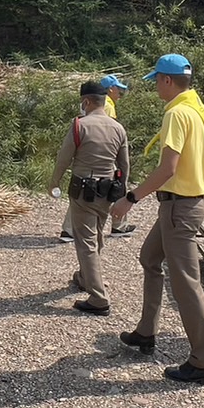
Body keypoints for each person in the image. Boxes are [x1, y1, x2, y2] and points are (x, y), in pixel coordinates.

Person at [110, 53, 204, 384]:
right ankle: (146, 332)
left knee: (186, 283)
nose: (156, 87)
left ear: (167, 80)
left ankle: (203, 360)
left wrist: (130, 198)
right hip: (188, 205)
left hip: (178, 208)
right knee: (149, 257)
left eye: (157, 81)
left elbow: (168, 168)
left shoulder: (176, 113)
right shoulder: (202, 111)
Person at [48, 80, 131, 315]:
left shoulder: (79, 125)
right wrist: (122, 191)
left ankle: (98, 297)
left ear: (86, 101)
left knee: (86, 242)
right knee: (97, 235)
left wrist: (54, 182)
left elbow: (64, 158)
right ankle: (85, 277)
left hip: (83, 191)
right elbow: (124, 164)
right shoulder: (118, 128)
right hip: (107, 191)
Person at [62, 76, 136, 242]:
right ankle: (118, 225)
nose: (120, 92)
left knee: (80, 193)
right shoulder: (106, 105)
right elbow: (107, 133)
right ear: (110, 89)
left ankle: (69, 229)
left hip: (91, 160)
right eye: (118, 89)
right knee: (114, 187)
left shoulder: (98, 104)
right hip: (104, 159)